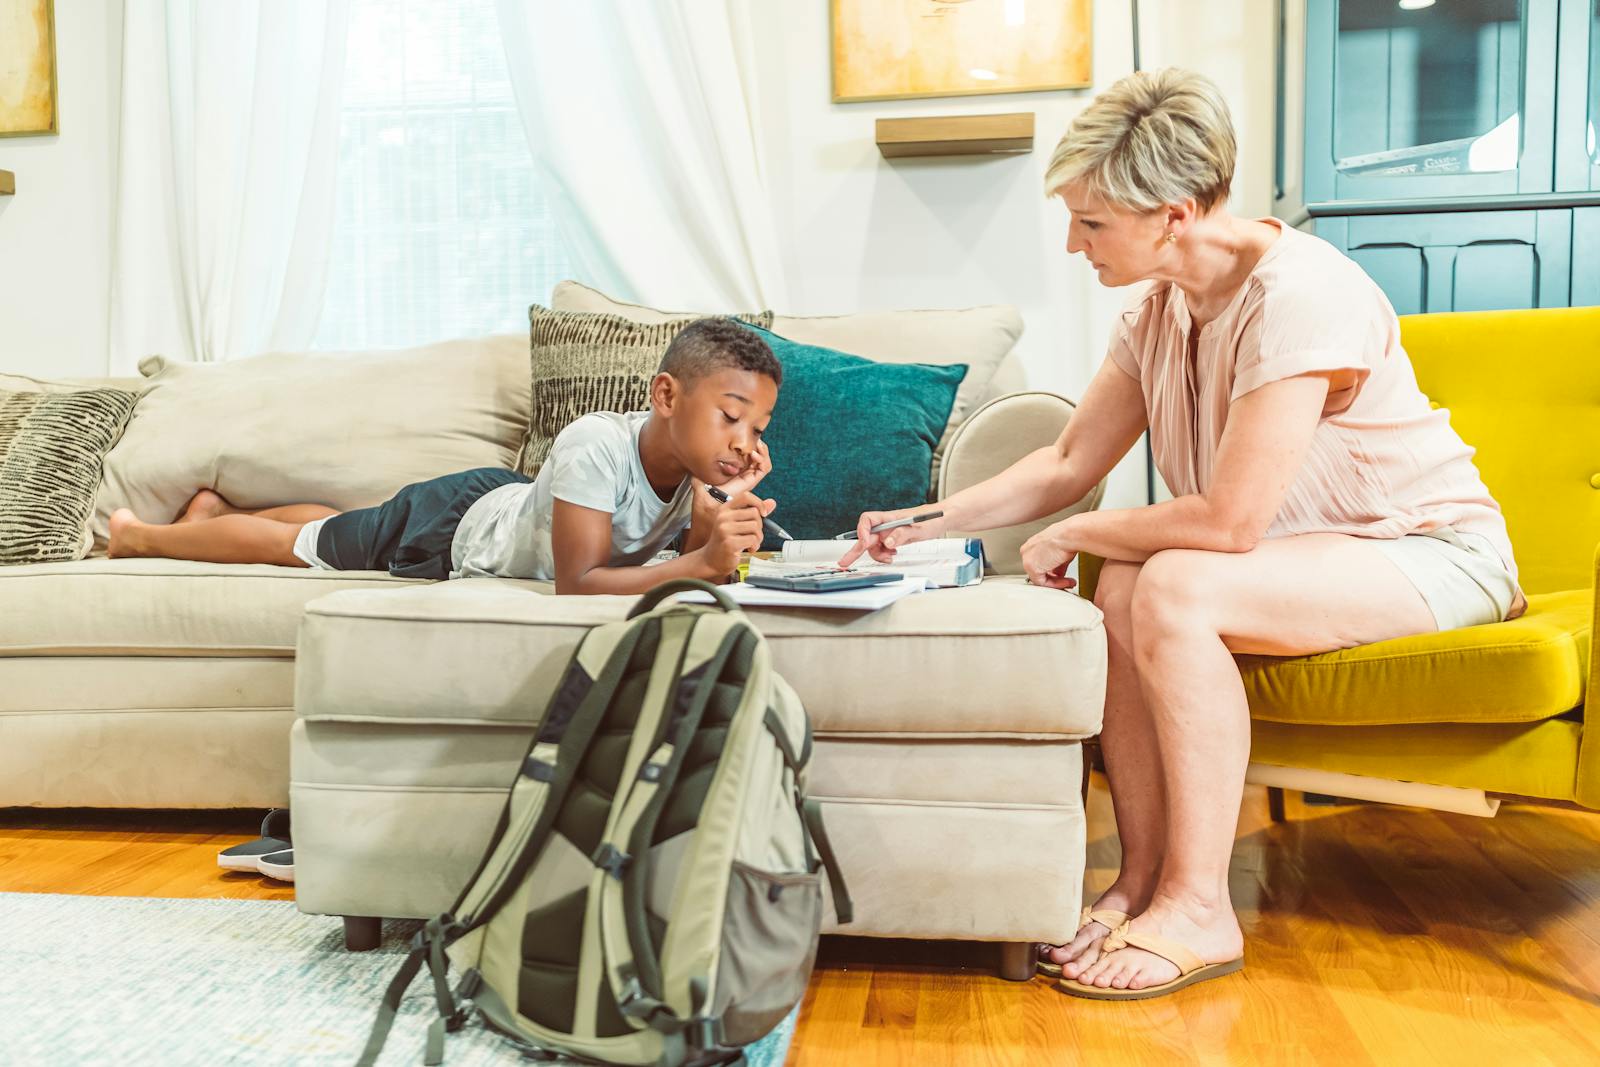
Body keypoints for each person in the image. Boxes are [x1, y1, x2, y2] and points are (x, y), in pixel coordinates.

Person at [840, 68, 1522, 1000]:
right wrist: (917, 520)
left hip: (1428, 551)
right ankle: (1143, 877)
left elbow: (1228, 522)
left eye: (1090, 223)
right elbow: (1068, 458)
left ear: (1172, 213)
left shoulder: (1302, 295)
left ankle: (1200, 905)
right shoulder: (1157, 308)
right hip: (1303, 560)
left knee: (1167, 581)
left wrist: (1075, 531)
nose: (1072, 242)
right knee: (1122, 581)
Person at [109, 319, 783, 595]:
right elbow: (579, 585)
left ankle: (216, 509)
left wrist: (725, 520)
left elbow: (698, 573)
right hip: (450, 526)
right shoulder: (594, 446)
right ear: (666, 394)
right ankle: (141, 537)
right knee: (301, 544)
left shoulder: (695, 478)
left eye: (757, 427)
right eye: (731, 416)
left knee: (353, 524)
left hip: (507, 500)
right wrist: (704, 560)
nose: (744, 441)